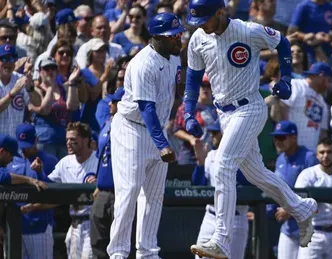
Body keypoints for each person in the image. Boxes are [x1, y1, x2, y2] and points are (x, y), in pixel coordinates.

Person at [184, 1, 318, 258]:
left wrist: (287, 77)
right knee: (256, 174)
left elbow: (283, 42)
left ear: (220, 12)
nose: (201, 25)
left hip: (249, 107)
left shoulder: (247, 30)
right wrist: (189, 110)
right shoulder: (198, 39)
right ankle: (301, 207)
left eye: (205, 19)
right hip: (223, 113)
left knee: (223, 164)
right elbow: (192, 77)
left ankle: (221, 238)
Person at [107, 13, 186, 259]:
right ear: (157, 38)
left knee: (154, 195)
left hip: (156, 128)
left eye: (179, 33)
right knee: (129, 190)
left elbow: (176, 88)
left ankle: (148, 252)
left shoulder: (174, 57)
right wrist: (163, 144)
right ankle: (118, 252)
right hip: (132, 128)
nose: (178, 38)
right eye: (173, 35)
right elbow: (146, 108)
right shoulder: (143, 63)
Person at [21, 122, 98, 259]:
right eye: (67, 139)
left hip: (93, 223)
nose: (68, 143)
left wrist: (98, 183)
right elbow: (49, 187)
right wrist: (40, 172)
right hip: (74, 223)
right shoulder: (65, 162)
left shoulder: (98, 161)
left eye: (73, 140)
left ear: (85, 140)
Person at [192, 120, 251, 259]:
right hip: (211, 216)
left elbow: (247, 184)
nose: (212, 136)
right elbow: (198, 187)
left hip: (234, 219)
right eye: (212, 133)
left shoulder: (243, 155)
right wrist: (200, 163)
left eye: (216, 133)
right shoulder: (211, 155)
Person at [89, 87, 135, 259]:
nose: (110, 104)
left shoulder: (134, 127)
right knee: (98, 245)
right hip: (103, 192)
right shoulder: (108, 124)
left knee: (123, 247)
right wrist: (99, 183)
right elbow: (102, 156)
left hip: (123, 193)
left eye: (114, 101)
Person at [266, 120, 318, 259]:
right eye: (276, 137)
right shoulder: (280, 159)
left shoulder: (309, 158)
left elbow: (314, 193)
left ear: (294, 138)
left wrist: (290, 209)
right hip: (287, 227)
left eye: (282, 137)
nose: (278, 141)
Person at [7, 154, 54, 259]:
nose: (25, 150)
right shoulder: (8, 160)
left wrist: (40, 172)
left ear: (36, 140)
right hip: (13, 229)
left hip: (39, 228)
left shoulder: (49, 160)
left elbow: (56, 198)